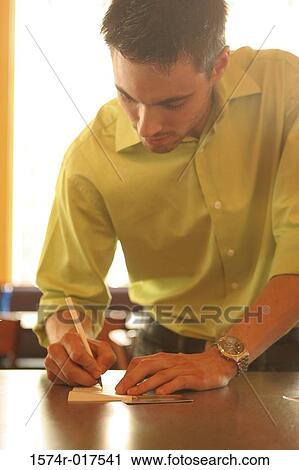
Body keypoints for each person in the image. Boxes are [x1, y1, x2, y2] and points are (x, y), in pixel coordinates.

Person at [34, 0, 299, 395]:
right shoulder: (89, 159)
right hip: (165, 351)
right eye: (127, 96)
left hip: (288, 340)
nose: (147, 126)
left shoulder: (286, 86)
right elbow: (65, 294)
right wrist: (67, 337)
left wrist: (223, 357)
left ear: (218, 66)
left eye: (172, 103)